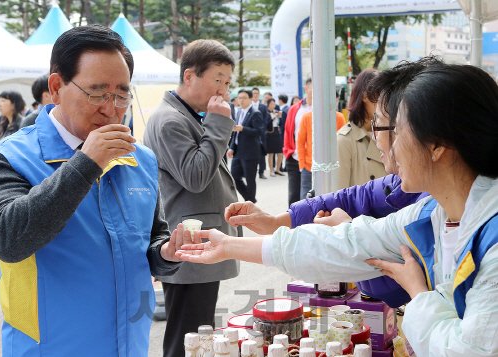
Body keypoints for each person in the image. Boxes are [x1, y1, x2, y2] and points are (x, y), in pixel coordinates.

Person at [177, 60, 498, 356]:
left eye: (397, 131)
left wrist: (418, 293)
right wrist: (230, 244)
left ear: (438, 144)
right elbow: (344, 242)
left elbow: (466, 350)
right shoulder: (431, 211)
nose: (389, 145)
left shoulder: (491, 241)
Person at [0, 25, 187, 357]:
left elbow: (150, 239)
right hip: (52, 348)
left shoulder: (139, 158)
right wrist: (86, 161)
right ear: (56, 87)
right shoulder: (10, 157)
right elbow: (8, 240)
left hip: (129, 345)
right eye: (98, 93)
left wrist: (166, 253)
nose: (112, 108)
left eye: (122, 94)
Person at [143, 39, 240, 357]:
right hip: (190, 243)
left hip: (197, 242)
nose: (223, 89)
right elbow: (196, 177)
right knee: (189, 334)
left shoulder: (186, 115)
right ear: (189, 76)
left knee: (197, 331)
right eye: (217, 79)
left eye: (227, 82)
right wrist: (219, 124)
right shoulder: (171, 120)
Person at [337, 69, 387, 189]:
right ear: (364, 95)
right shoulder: (344, 141)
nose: (384, 101)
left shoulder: (390, 134)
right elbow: (339, 194)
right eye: (380, 94)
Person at [228, 89, 263, 203]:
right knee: (234, 177)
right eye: (239, 98)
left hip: (250, 152)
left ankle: (250, 202)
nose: (241, 100)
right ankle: (250, 199)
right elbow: (235, 133)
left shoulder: (255, 113)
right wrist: (232, 147)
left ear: (251, 99)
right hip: (238, 151)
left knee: (250, 179)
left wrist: (243, 129)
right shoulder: (239, 112)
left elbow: (258, 131)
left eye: (244, 98)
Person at [283, 78, 312, 206]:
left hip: (313, 160)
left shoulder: (323, 109)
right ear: (306, 89)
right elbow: (288, 131)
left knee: (310, 196)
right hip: (295, 157)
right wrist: (288, 151)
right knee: (294, 196)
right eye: (313, 87)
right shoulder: (295, 109)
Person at [251, 87, 269, 179]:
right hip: (250, 133)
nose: (255, 95)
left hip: (261, 134)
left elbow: (266, 119)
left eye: (257, 93)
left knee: (262, 153)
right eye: (253, 93)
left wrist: (261, 129)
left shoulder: (263, 106)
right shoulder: (249, 105)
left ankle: (261, 172)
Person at [265, 98, 284, 177]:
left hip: (277, 132)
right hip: (270, 134)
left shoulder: (276, 111)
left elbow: (281, 123)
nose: (273, 105)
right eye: (271, 104)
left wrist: (280, 117)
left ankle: (278, 169)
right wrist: (273, 117)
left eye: (274, 104)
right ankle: (271, 170)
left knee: (280, 152)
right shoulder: (266, 113)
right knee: (271, 153)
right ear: (268, 104)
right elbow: (266, 123)